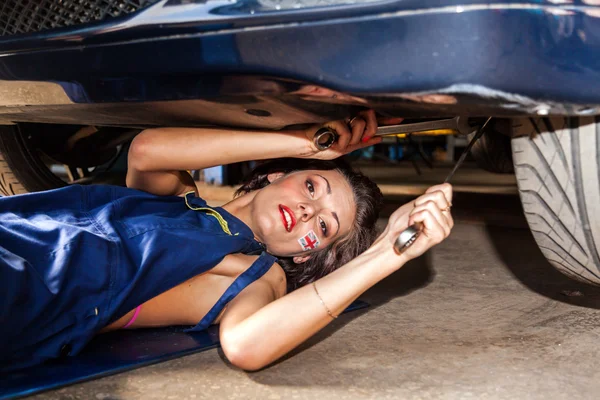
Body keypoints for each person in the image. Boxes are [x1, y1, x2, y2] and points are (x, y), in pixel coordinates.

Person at [0, 110, 453, 372]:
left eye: (325, 227)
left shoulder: (254, 271)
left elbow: (246, 345)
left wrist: (386, 254)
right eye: (312, 187)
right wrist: (306, 142)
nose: (308, 212)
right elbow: (147, 149)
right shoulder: (180, 200)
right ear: (279, 173)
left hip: (25, 286)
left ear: (308, 253)